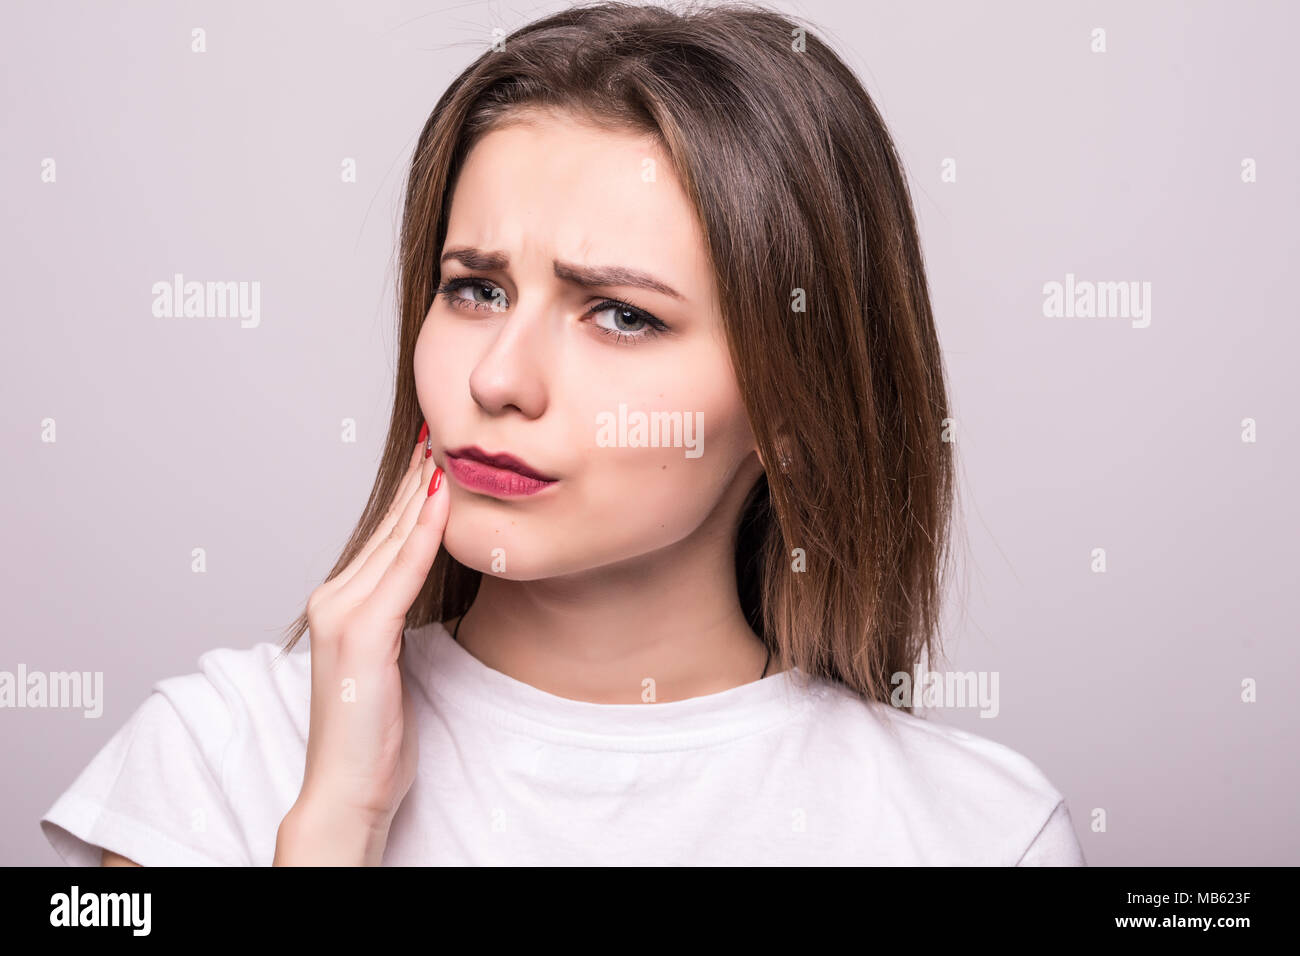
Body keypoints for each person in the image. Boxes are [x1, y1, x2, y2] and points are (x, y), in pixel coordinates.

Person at [40, 1, 1086, 866]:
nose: (496, 377)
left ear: (793, 412)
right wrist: (338, 826)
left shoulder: (978, 834)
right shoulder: (219, 758)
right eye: (475, 288)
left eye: (621, 314)